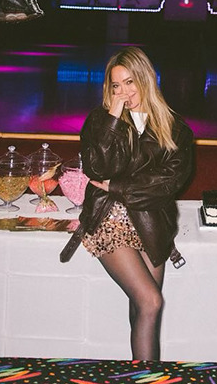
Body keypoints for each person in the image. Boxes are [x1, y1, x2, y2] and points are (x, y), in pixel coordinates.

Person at [69, 47, 193, 360]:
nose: (124, 92)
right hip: (108, 220)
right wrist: (112, 119)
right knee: (151, 301)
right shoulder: (100, 121)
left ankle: (137, 377)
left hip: (152, 221)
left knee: (143, 309)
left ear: (145, 81)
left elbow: (169, 182)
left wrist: (120, 186)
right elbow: (97, 169)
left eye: (130, 82)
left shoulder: (174, 127)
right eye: (116, 86)